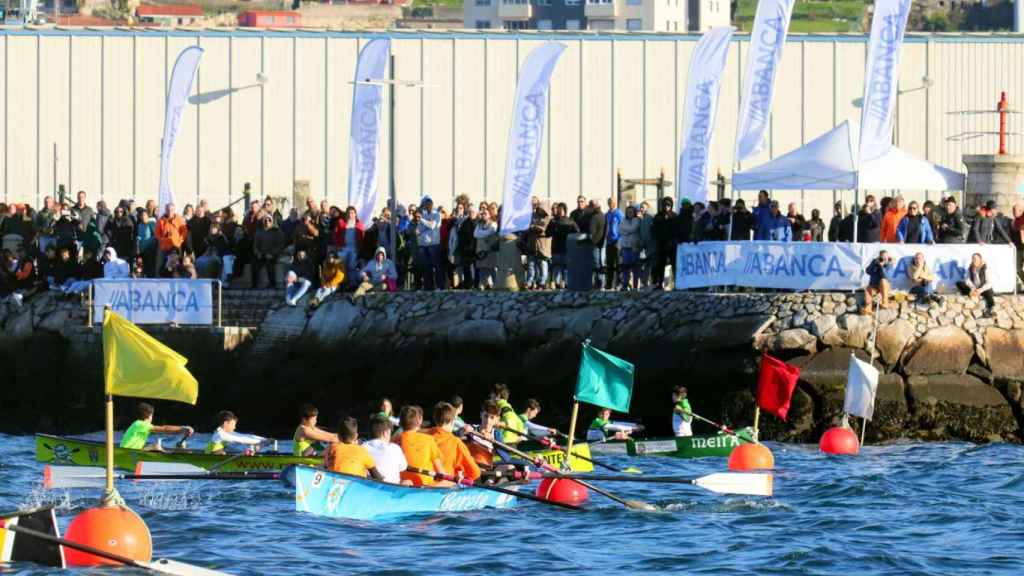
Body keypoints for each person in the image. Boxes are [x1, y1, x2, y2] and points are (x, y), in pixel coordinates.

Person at [395, 405, 448, 486]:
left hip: (402, 484)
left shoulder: (395, 440)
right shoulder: (429, 439)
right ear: (419, 421)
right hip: (424, 486)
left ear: (401, 422)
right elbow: (442, 474)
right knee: (449, 482)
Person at [429, 402, 481, 482]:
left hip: (425, 483)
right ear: (453, 420)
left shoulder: (425, 437)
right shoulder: (456, 442)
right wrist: (462, 475)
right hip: (445, 487)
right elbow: (475, 472)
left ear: (435, 418)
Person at [119, 402, 194, 451]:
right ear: (149, 416)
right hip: (128, 453)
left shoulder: (137, 424)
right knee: (156, 446)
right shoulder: (141, 424)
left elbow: (165, 431)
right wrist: (183, 428)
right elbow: (164, 429)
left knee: (154, 446)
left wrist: (181, 431)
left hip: (130, 452)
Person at [363, 415, 408, 484]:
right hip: (391, 490)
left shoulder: (362, 447)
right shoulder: (395, 448)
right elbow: (403, 467)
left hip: (368, 487)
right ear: (385, 433)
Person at [547, 203, 578, 290]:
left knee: (566, 268)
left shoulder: (570, 221)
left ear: (565, 210)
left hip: (567, 248)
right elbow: (547, 233)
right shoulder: (553, 221)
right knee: (557, 267)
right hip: (556, 248)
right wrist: (554, 229)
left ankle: (566, 283)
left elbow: (577, 232)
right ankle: (557, 284)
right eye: (558, 209)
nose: (559, 211)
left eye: (560, 209)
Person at [957, 252, 996, 318]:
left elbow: (989, 282)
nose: (975, 260)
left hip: (983, 289)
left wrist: (980, 290)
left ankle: (990, 310)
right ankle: (971, 293)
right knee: (959, 283)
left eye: (976, 259)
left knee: (989, 291)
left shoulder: (985, 268)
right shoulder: (970, 268)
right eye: (973, 259)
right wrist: (973, 288)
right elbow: (967, 279)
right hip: (974, 288)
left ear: (980, 259)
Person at [525, 201, 552, 290]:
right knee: (531, 265)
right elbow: (528, 227)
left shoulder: (549, 218)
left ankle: (542, 282)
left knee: (543, 264)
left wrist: (537, 228)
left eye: (541, 209)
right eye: (538, 209)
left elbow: (545, 229)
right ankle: (530, 282)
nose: (539, 210)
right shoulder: (533, 217)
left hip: (543, 245)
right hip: (532, 244)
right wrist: (533, 227)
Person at [651, 197, 677, 288]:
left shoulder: (674, 216)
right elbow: (655, 229)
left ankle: (676, 283)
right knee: (660, 264)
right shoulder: (658, 216)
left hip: (672, 244)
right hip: (661, 244)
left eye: (668, 205)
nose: (666, 207)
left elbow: (676, 230)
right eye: (665, 205)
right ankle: (659, 282)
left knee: (674, 264)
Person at [473, 209, 499, 289]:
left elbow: (490, 232)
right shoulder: (479, 225)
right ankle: (482, 284)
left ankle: (496, 283)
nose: (484, 215)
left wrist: (482, 233)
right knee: (482, 268)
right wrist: (483, 234)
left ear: (489, 215)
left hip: (489, 250)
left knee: (491, 268)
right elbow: (475, 234)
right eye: (482, 213)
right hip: (480, 249)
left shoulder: (493, 224)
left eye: (485, 213)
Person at [862, 250, 894, 314]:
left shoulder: (890, 265)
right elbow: (868, 271)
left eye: (885, 258)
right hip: (875, 286)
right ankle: (868, 308)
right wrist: (874, 264)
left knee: (883, 280)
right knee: (867, 289)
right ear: (879, 257)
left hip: (885, 286)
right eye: (882, 257)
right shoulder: (875, 262)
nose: (884, 259)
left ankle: (885, 302)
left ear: (888, 257)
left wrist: (881, 267)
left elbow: (885, 277)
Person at [618, 205, 641, 290]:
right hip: (625, 247)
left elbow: (633, 229)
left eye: (631, 212)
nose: (629, 214)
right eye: (628, 212)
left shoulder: (637, 220)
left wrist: (625, 231)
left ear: (634, 212)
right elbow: (619, 229)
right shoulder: (623, 220)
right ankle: (625, 285)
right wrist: (627, 231)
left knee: (635, 268)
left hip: (634, 247)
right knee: (625, 268)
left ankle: (635, 286)